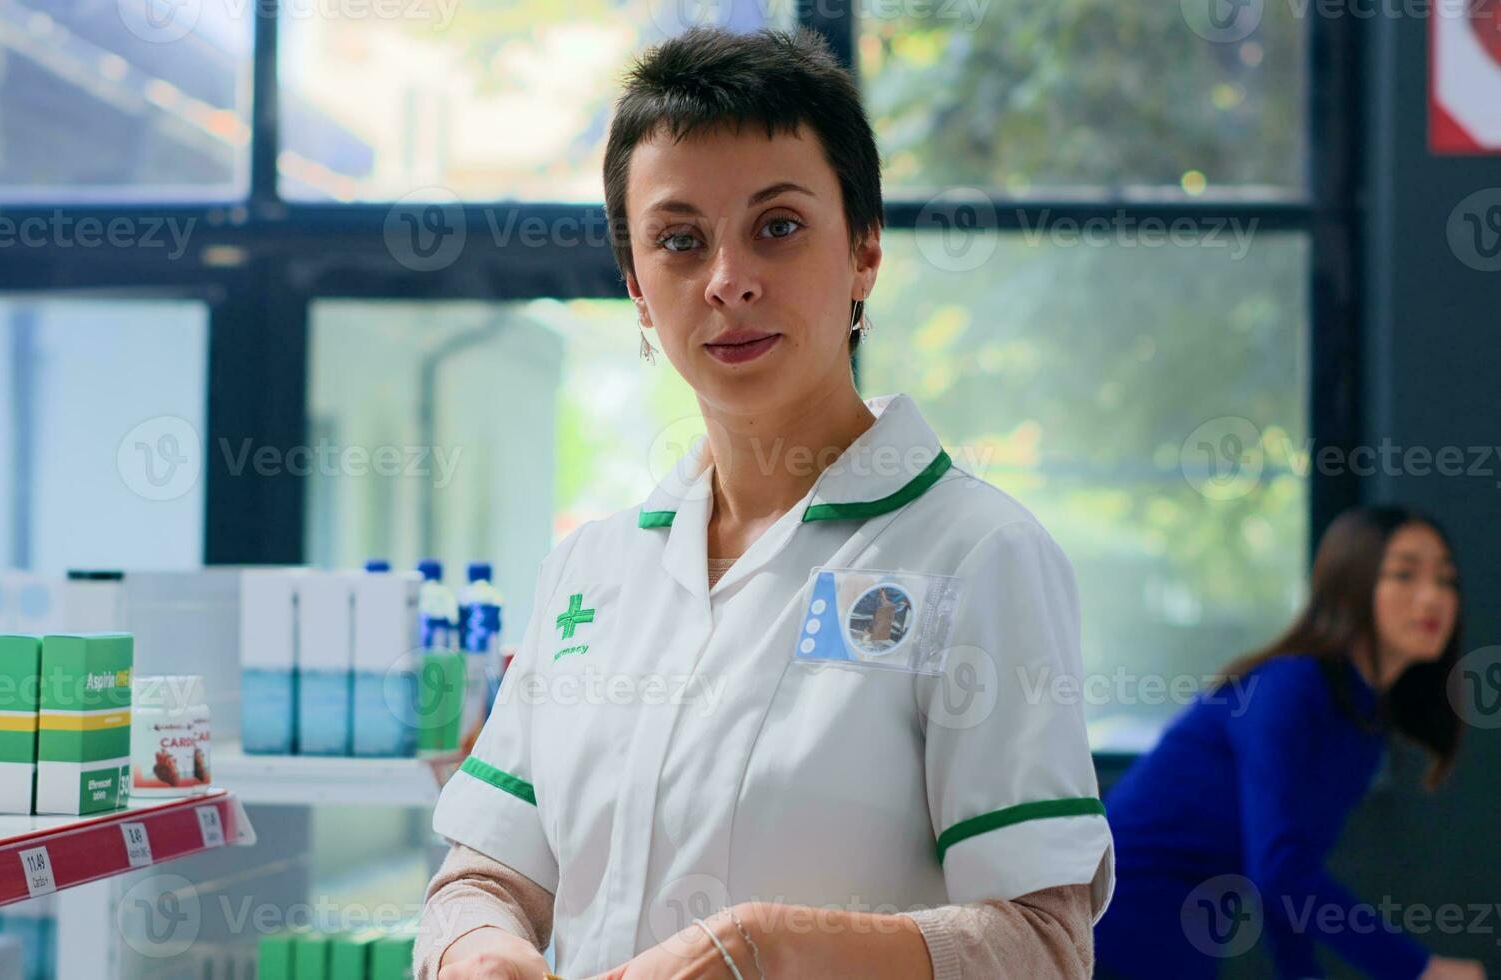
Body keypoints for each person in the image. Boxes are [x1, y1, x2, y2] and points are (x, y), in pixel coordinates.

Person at [414, 27, 1114, 980]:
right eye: (678, 240)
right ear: (637, 292)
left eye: (778, 227)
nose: (728, 280)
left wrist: (767, 948)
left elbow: (1043, 945)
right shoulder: (591, 571)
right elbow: (484, 875)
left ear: (865, 252)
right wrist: (480, 953)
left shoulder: (977, 555)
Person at [1094, 505, 1482, 980]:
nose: (1432, 598)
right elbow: (1280, 873)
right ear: (1351, 585)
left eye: (1446, 580)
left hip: (1178, 934)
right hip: (1112, 923)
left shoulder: (1361, 725)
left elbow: (1287, 877)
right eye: (1404, 575)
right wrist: (1422, 969)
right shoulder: (1290, 686)